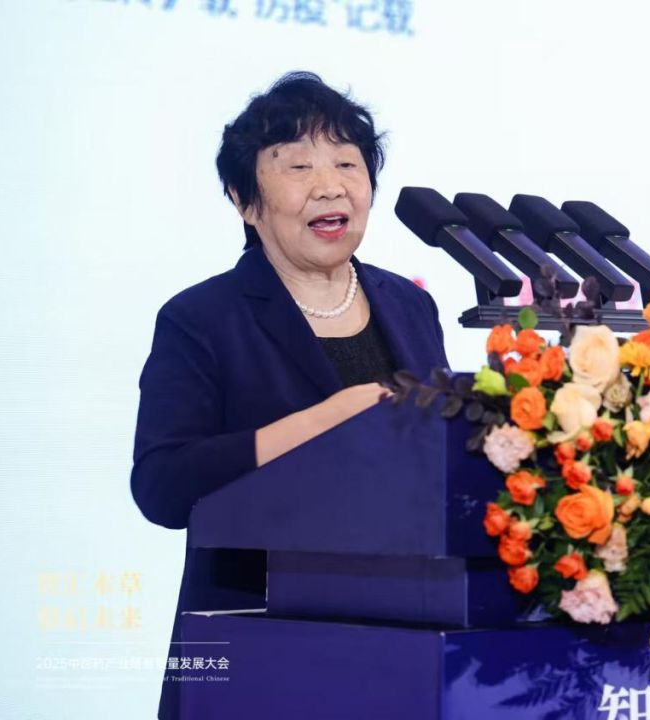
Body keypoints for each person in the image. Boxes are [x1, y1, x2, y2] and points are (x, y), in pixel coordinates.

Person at [130, 71, 448, 719]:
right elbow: (162, 487)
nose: (330, 185)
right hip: (257, 646)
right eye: (299, 166)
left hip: (401, 647)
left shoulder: (410, 304)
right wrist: (326, 422)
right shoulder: (202, 319)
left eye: (347, 164)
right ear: (244, 200)